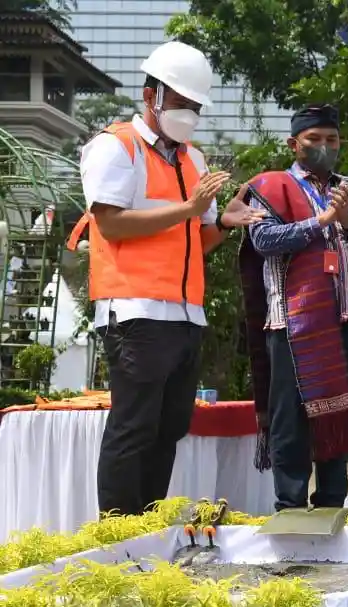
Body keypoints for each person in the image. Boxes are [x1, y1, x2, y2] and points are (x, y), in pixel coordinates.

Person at [68, 41, 243, 516]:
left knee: (169, 427)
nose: (187, 113)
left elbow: (195, 242)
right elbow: (112, 224)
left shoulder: (195, 161)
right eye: (180, 102)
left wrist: (222, 223)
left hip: (186, 313)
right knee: (134, 426)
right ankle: (118, 535)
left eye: (195, 106)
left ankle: (148, 528)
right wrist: (187, 210)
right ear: (151, 95)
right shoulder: (115, 146)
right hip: (135, 311)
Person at [230, 103, 348, 512]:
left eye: (332, 140)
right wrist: (320, 221)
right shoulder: (270, 186)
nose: (325, 147)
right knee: (291, 417)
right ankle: (291, 504)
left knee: (339, 410)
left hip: (345, 316)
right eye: (314, 140)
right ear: (293, 143)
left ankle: (333, 502)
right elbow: (264, 241)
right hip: (290, 320)